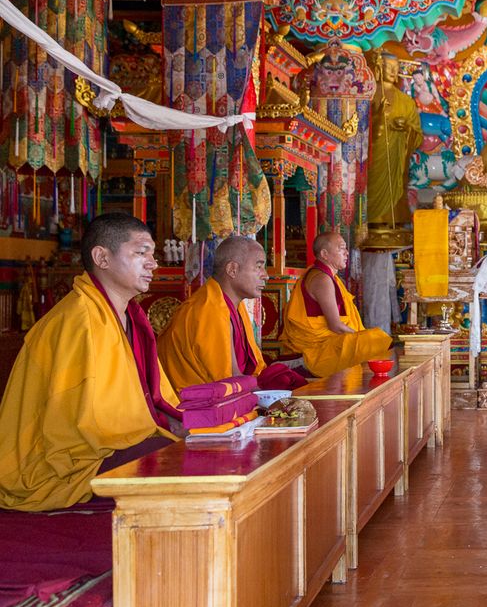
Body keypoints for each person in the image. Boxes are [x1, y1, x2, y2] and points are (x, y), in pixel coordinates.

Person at [0, 214, 179, 511]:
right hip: (55, 461)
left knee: (185, 449)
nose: (153, 263)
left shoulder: (128, 316)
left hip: (107, 439)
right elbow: (81, 425)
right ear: (102, 258)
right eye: (140, 252)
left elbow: (150, 396)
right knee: (170, 459)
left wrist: (179, 422)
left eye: (153, 253)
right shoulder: (79, 320)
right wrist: (163, 430)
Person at [158, 236, 306, 391]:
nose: (265, 275)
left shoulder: (232, 306)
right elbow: (230, 381)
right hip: (192, 406)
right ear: (232, 270)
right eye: (259, 267)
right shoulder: (209, 310)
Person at [281, 231, 392, 378]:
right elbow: (335, 325)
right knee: (375, 339)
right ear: (324, 254)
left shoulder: (328, 276)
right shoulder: (322, 279)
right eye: (341, 248)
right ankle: (303, 362)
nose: (347, 253)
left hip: (328, 343)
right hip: (315, 349)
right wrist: (361, 337)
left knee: (372, 340)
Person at [365, 51, 423, 238]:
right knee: (369, 183)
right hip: (372, 154)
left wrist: (406, 127)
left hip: (397, 156)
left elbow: (418, 136)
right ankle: (368, 221)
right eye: (388, 68)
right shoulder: (368, 95)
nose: (392, 72)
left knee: (395, 186)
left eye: (395, 69)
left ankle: (394, 220)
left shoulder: (406, 102)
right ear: (379, 69)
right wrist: (376, 116)